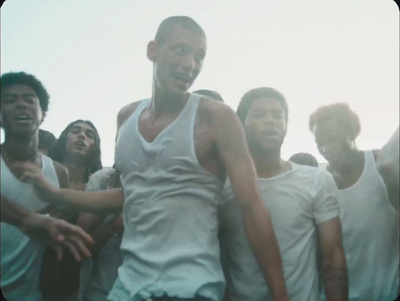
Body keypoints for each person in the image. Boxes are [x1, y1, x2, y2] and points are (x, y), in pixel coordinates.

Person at [18, 16, 289, 301]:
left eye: (199, 56)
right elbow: (129, 193)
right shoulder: (126, 119)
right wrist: (53, 193)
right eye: (181, 50)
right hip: (126, 288)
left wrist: (280, 294)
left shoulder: (216, 117)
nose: (191, 65)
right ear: (153, 50)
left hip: (192, 289)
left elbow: (252, 207)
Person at [220, 87, 348, 301]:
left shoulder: (316, 181)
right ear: (241, 124)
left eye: (278, 115)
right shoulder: (223, 187)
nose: (271, 121)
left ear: (286, 125)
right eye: (259, 114)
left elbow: (332, 256)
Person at [0, 71, 92, 301]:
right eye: (10, 100)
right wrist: (29, 219)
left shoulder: (59, 172)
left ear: (43, 114)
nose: (21, 104)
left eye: (30, 99)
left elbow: (63, 214)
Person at [309, 103, 399, 300]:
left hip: (386, 294)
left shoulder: (381, 166)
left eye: (332, 139)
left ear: (352, 131)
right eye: (319, 142)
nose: (325, 148)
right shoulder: (320, 184)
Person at [40, 119, 102, 300]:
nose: (82, 136)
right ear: (64, 138)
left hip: (72, 278)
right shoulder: (43, 175)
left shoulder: (97, 187)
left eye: (89, 135)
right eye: (76, 131)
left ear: (94, 147)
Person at [78, 167, 123, 301]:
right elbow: (81, 247)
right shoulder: (103, 180)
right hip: (100, 291)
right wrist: (112, 227)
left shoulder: (165, 185)